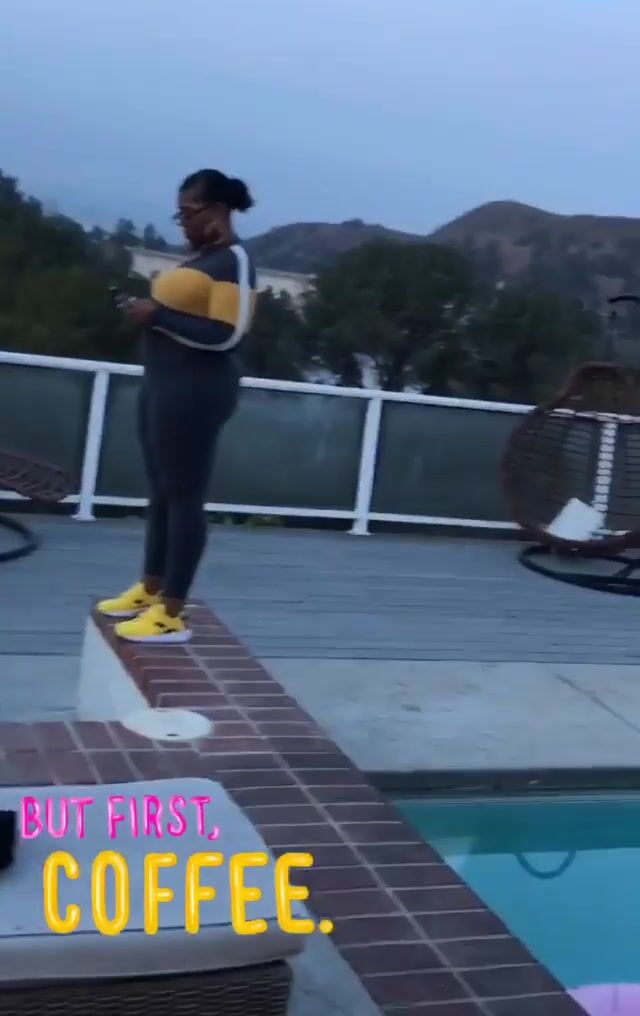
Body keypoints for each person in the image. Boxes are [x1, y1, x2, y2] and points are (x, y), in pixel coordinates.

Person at [97, 169, 257, 643]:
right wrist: (148, 315)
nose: (182, 223)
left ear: (218, 211)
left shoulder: (234, 261)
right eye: (179, 214)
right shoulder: (203, 257)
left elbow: (227, 335)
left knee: (184, 496)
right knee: (161, 492)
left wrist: (158, 315)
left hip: (196, 391)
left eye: (189, 214)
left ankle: (171, 612)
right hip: (162, 384)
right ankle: (150, 588)